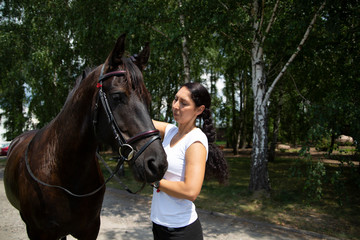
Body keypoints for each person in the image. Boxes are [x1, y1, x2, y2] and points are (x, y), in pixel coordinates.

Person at [150, 82, 228, 240]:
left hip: (180, 231)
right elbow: (141, 122)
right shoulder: (171, 131)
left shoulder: (196, 141)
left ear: (199, 110)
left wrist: (155, 181)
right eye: (175, 99)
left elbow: (191, 191)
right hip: (159, 224)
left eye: (184, 103)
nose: (175, 106)